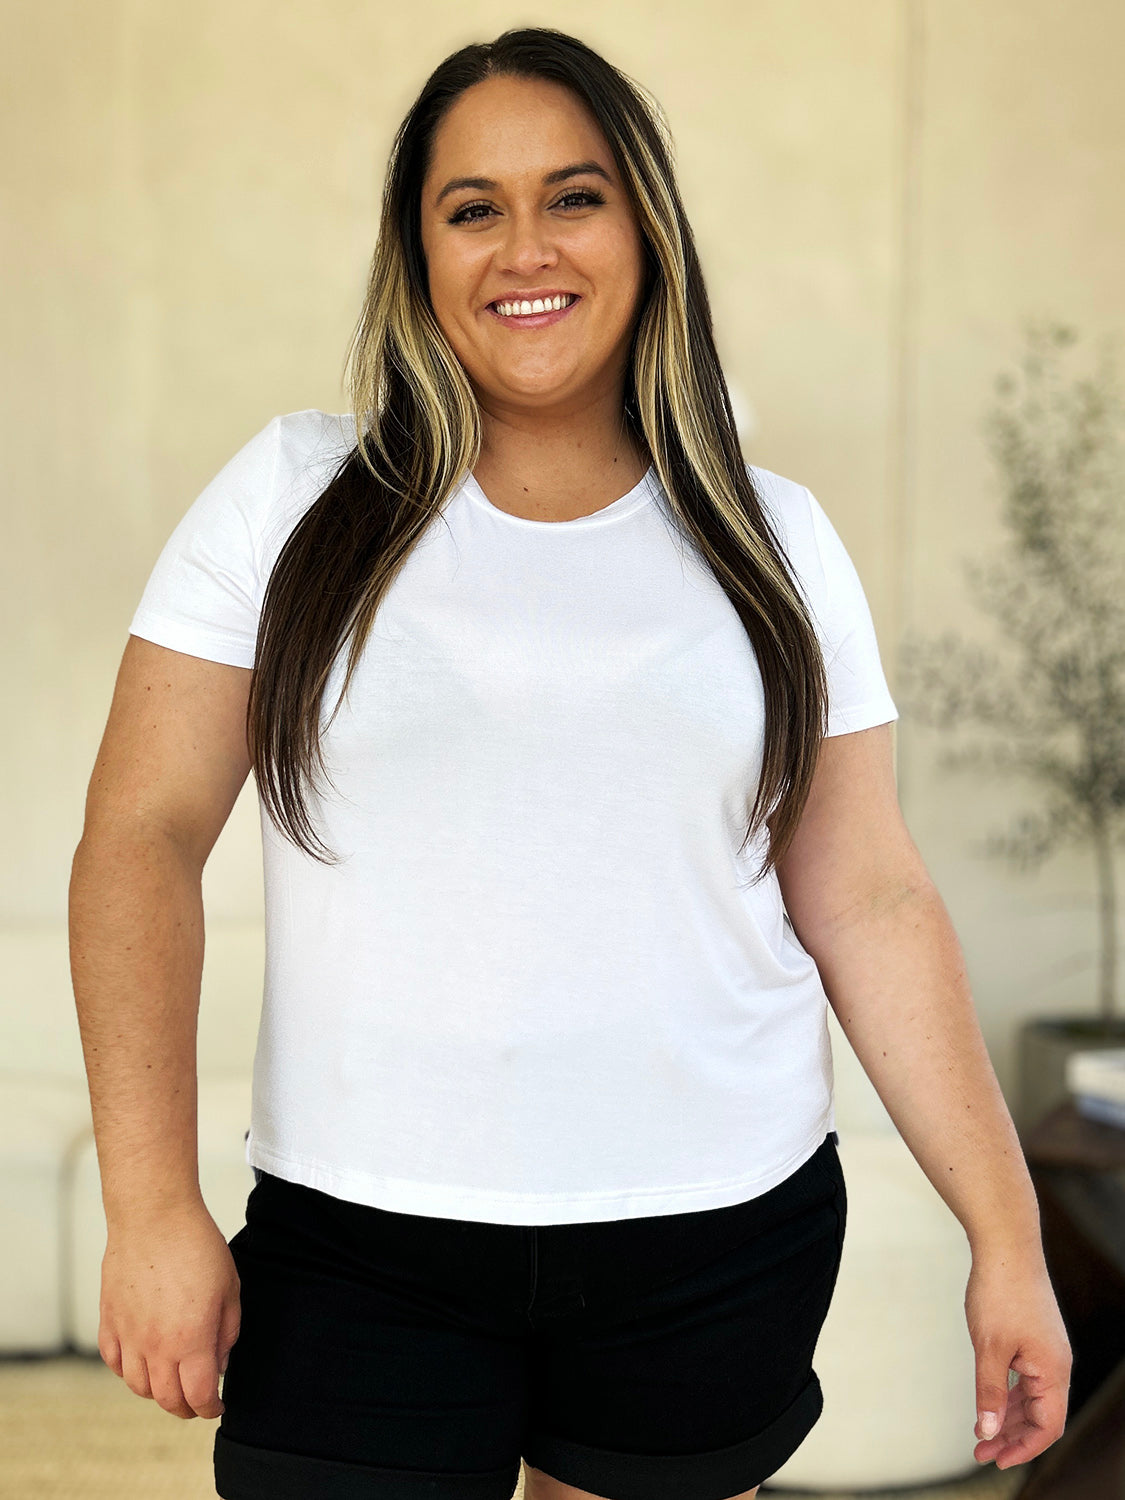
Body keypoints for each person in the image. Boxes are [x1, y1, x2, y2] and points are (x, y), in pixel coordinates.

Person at [69, 25, 1071, 1500]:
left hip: (711, 1235)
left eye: (573, 196)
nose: (522, 246)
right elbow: (140, 838)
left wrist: (1007, 1238)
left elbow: (865, 896)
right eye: (470, 206)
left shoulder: (772, 537)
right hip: (364, 1244)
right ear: (415, 255)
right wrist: (149, 1203)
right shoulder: (291, 499)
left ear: (645, 227)